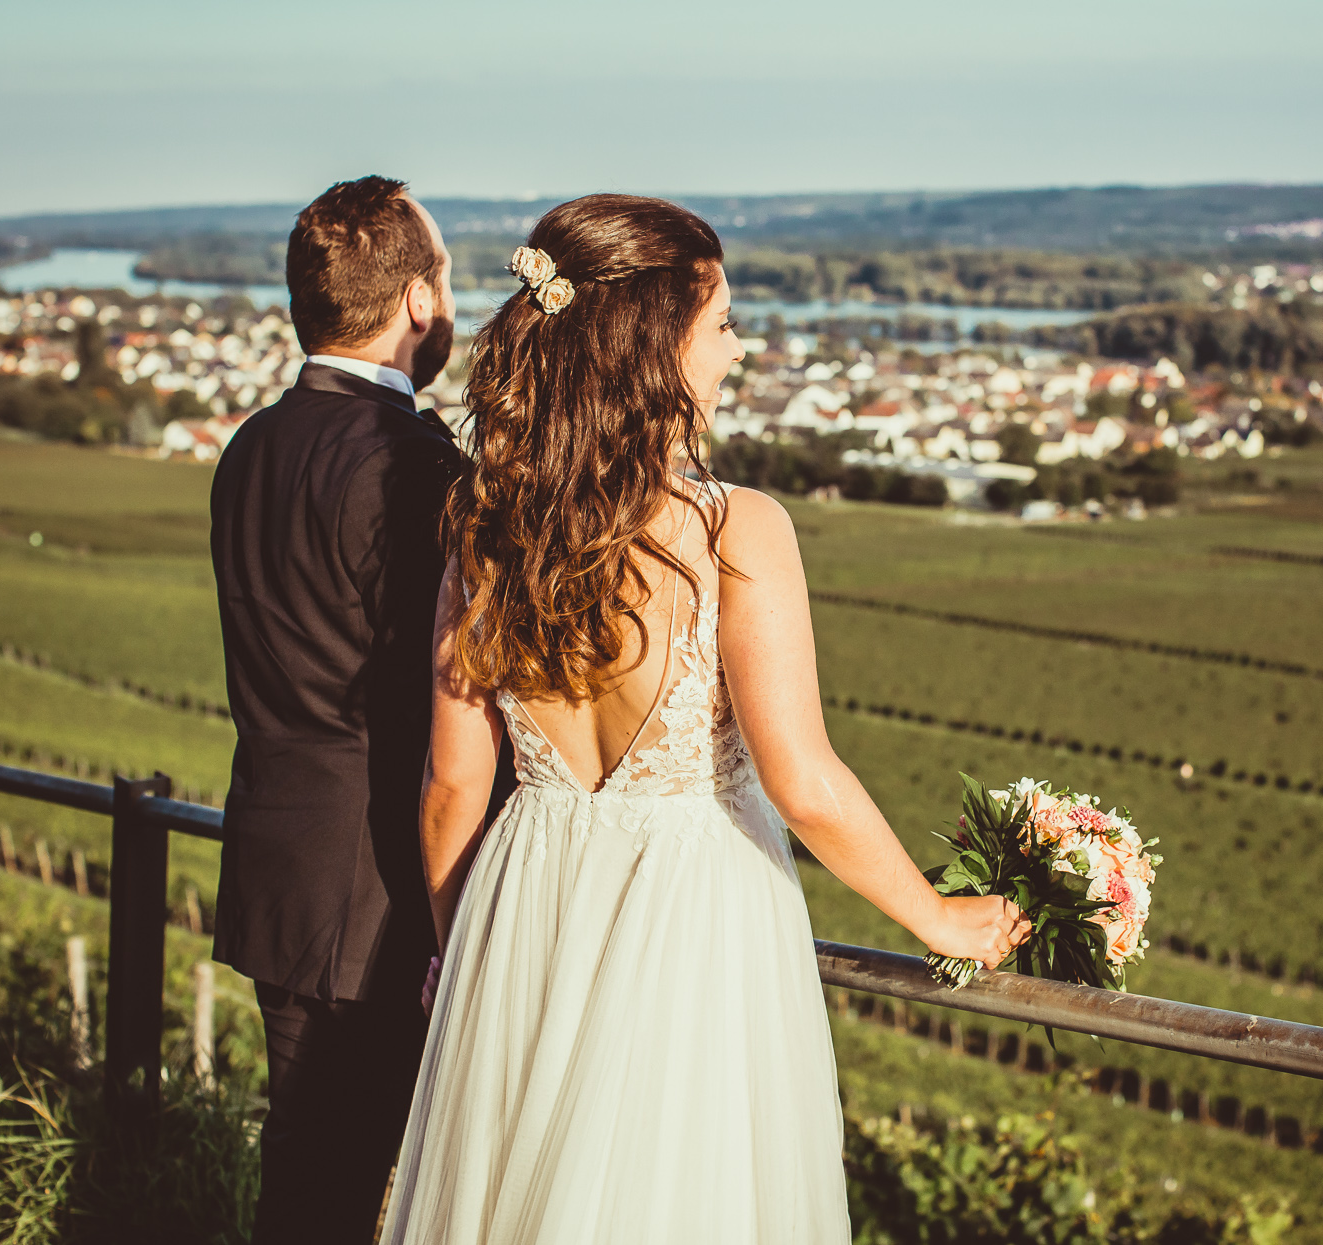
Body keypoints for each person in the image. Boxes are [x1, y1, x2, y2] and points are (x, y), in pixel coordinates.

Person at [379, 194, 1030, 1243]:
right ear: (654, 346)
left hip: (525, 894)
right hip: (689, 913)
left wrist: (465, 956)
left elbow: (453, 783)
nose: (739, 345)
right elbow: (802, 780)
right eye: (722, 322)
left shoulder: (486, 525)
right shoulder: (738, 529)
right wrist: (937, 917)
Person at [209, 175, 471, 1245]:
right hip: (377, 894)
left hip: (277, 869)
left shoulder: (249, 447)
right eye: (445, 276)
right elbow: (443, 698)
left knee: (305, 1174)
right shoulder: (410, 468)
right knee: (347, 1189)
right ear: (416, 301)